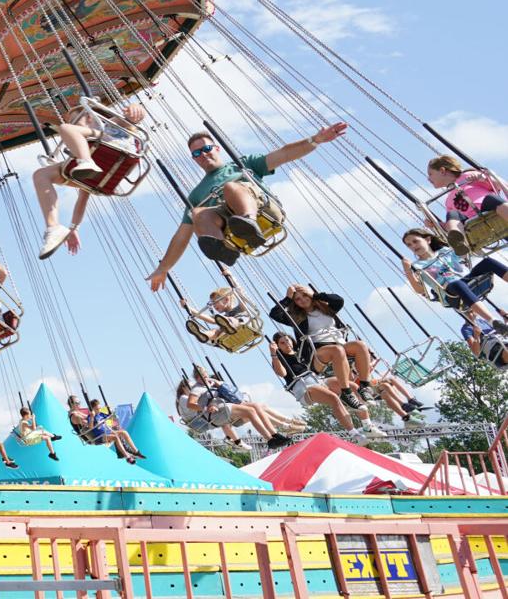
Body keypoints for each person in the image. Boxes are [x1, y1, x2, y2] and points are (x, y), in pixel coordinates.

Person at [149, 124, 347, 289]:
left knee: (230, 187)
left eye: (207, 149)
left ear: (217, 148)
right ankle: (224, 248)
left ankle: (248, 222)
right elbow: (182, 236)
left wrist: (315, 140)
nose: (203, 155)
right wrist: (164, 268)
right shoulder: (196, 195)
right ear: (194, 159)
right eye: (197, 153)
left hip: (261, 209)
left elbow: (284, 154)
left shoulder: (242, 165)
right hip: (230, 226)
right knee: (198, 213)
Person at [32, 101, 147, 259]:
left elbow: (130, 117)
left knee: (65, 129)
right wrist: (74, 228)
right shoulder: (88, 151)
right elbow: (82, 199)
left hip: (111, 147)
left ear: (89, 116)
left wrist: (135, 109)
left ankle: (86, 161)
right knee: (40, 175)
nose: (71, 125)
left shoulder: (107, 124)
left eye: (74, 120)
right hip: (101, 168)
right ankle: (53, 228)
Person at [268, 284, 374, 409]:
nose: (302, 300)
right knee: (337, 350)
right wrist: (288, 298)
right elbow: (274, 314)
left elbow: (338, 300)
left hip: (338, 342)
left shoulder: (326, 309)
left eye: (304, 296)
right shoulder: (296, 317)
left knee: (360, 345)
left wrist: (314, 294)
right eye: (297, 299)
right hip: (317, 352)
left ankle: (365, 386)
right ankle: (346, 392)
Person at [400, 228, 508, 329]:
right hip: (452, 294)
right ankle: (492, 321)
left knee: (488, 262)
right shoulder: (417, 266)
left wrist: (458, 244)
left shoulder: (445, 251)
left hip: (468, 280)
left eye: (415, 241)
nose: (413, 246)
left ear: (428, 240)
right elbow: (420, 290)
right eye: (409, 245)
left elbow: (464, 255)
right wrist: (408, 271)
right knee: (456, 283)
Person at [269, 332, 355, 429]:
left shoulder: (301, 352)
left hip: (318, 381)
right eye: (282, 343)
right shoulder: (280, 359)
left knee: (351, 386)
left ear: (291, 340)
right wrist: (274, 354)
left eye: (287, 340)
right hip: (304, 388)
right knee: (333, 398)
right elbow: (282, 373)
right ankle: (353, 432)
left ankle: (366, 423)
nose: (287, 344)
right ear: (278, 346)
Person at [426, 155, 508, 256]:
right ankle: (460, 243)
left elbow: (499, 185)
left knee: (491, 199)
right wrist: (436, 225)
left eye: (430, 174)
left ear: (442, 171)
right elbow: (449, 225)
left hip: (489, 208)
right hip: (471, 221)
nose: (428, 179)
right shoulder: (448, 200)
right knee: (452, 214)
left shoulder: (467, 176)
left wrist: (482, 178)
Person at [182, 285, 249, 345]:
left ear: (226, 300)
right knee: (215, 331)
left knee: (231, 320)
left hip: (241, 326)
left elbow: (241, 295)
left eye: (215, 302)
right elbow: (208, 318)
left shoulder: (239, 308)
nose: (213, 306)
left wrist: (230, 276)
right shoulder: (220, 318)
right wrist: (187, 307)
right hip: (227, 332)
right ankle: (203, 335)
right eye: (212, 303)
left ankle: (229, 324)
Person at [85, 398, 145, 462]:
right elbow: (91, 428)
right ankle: (127, 456)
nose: (99, 410)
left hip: (107, 433)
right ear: (92, 409)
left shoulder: (101, 414)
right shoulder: (90, 417)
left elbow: (112, 417)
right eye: (97, 409)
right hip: (99, 437)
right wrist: (92, 417)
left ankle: (136, 451)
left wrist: (110, 411)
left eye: (100, 408)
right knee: (115, 437)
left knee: (124, 432)